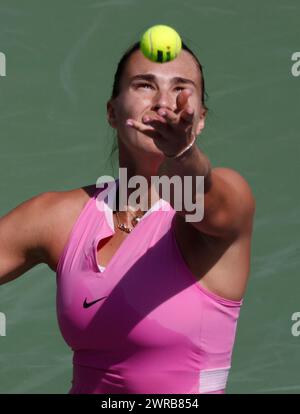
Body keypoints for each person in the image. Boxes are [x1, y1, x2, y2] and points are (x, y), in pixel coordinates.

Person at [0, 39, 256, 394]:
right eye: (145, 85)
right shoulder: (59, 218)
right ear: (112, 111)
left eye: (181, 88)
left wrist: (181, 154)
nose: (164, 102)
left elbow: (198, 194)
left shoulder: (222, 203)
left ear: (200, 121)